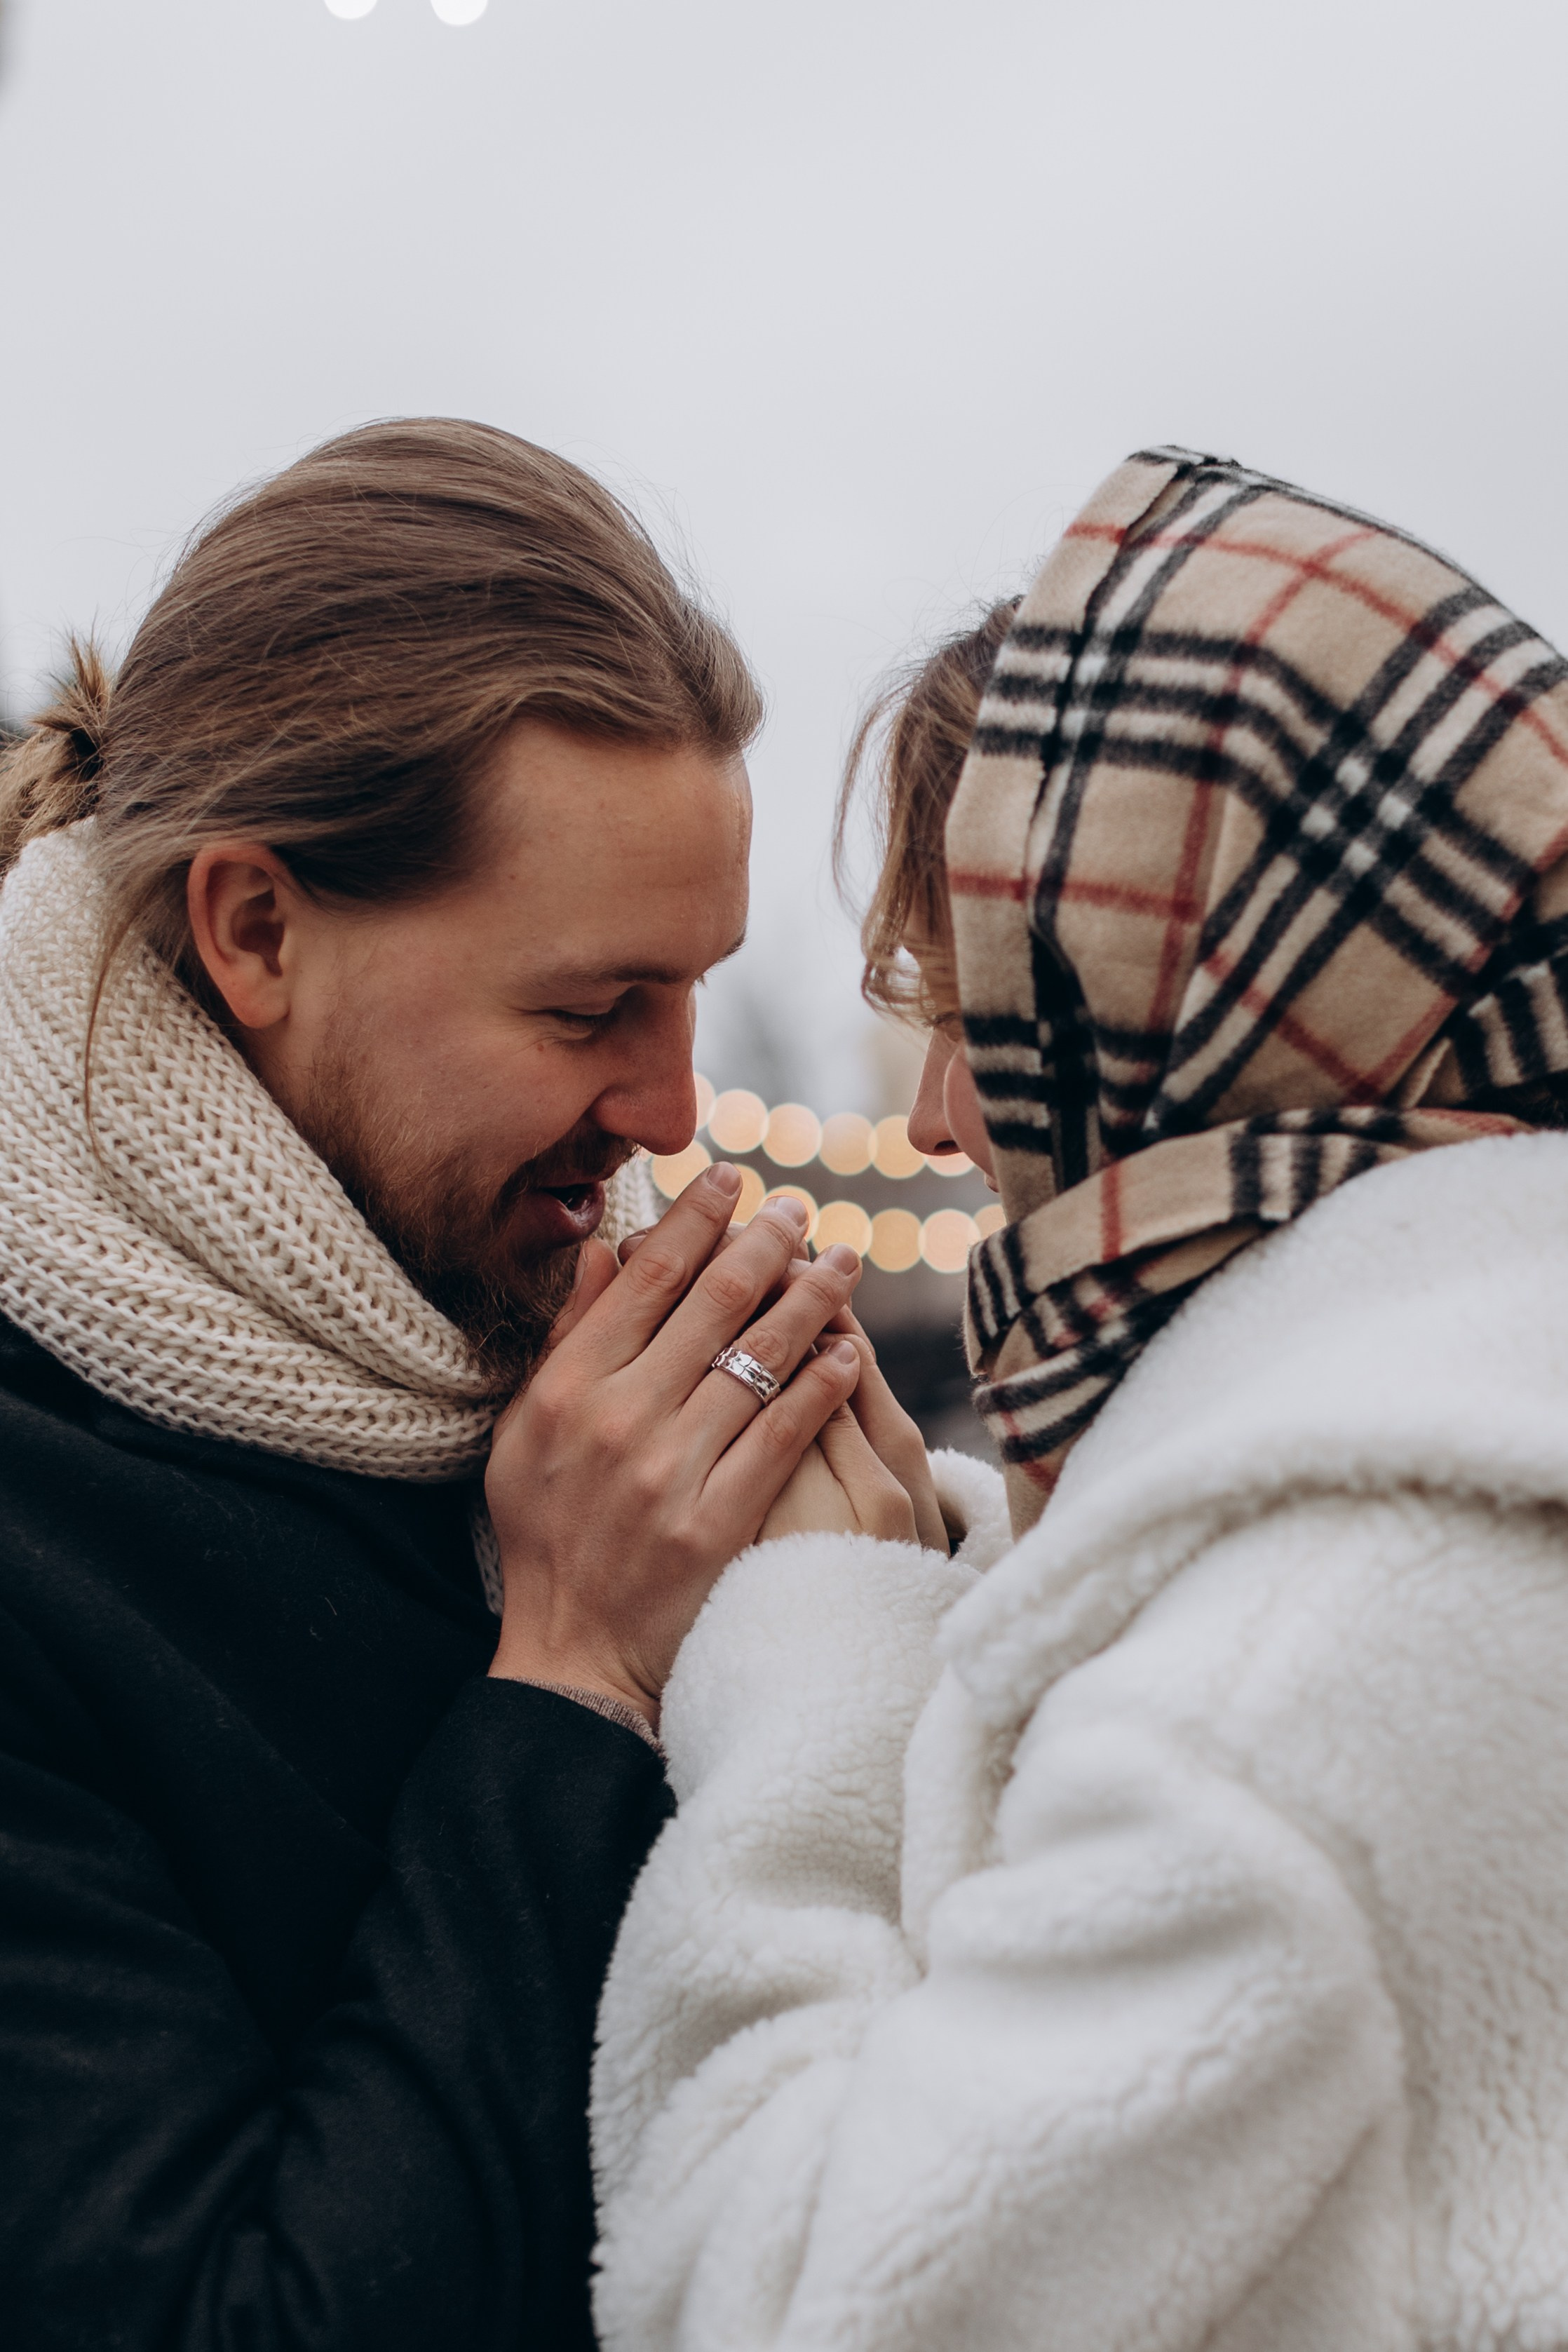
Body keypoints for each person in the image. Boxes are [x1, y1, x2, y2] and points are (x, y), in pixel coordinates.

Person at [590, 447, 1568, 2351]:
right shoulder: (1467, 1430)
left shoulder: (1286, 1696)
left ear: (1189, 1003)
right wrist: (969, 1588)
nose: (941, 1112)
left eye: (986, 1015)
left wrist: (811, 1651)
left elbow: (797, 2311)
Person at [0, 416, 936, 2352]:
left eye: (693, 993)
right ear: (255, 928)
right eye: (593, 1008)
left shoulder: (498, 1365)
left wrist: (885, 1625)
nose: (675, 1109)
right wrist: (575, 1684)